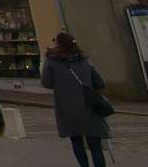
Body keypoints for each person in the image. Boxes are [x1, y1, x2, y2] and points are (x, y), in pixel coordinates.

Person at [41, 32, 110, 167]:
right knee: (95, 145)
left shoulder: (52, 62)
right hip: (89, 106)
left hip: (67, 108)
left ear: (58, 44)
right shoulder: (83, 59)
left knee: (76, 142)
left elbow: (46, 83)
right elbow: (99, 82)